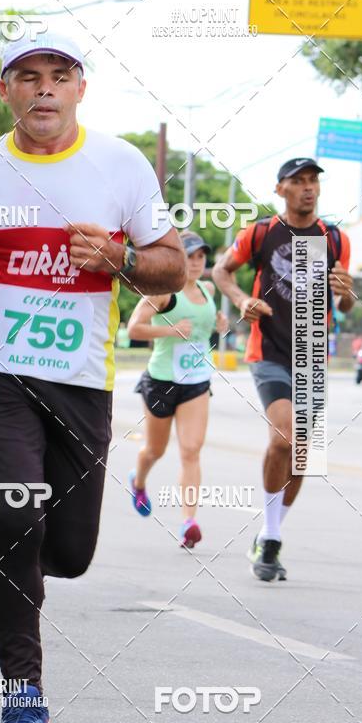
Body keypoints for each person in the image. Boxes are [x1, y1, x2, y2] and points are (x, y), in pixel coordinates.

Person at [0, 32, 186, 723]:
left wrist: (122, 256)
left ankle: (18, 539)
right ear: (6, 91)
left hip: (81, 384)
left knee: (67, 550)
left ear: (79, 89)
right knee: (16, 513)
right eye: (27, 77)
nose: (43, 89)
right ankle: (22, 696)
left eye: (58, 76)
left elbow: (171, 271)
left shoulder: (119, 165)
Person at [212, 158, 354, 581]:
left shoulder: (335, 238)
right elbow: (221, 271)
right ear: (281, 190)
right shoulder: (261, 233)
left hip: (311, 353)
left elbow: (344, 304)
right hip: (269, 349)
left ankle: (269, 536)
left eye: (313, 181)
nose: (308, 188)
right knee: (284, 438)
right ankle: (270, 536)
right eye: (298, 182)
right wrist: (240, 300)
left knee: (304, 455)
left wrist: (346, 294)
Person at [127, 232, 227, 547]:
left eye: (201, 257)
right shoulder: (164, 293)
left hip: (196, 380)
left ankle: (188, 523)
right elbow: (134, 328)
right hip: (161, 379)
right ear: (178, 258)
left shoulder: (208, 290)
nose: (196, 263)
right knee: (155, 450)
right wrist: (167, 330)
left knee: (191, 450)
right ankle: (138, 480)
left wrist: (218, 324)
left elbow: (203, 326)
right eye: (191, 256)